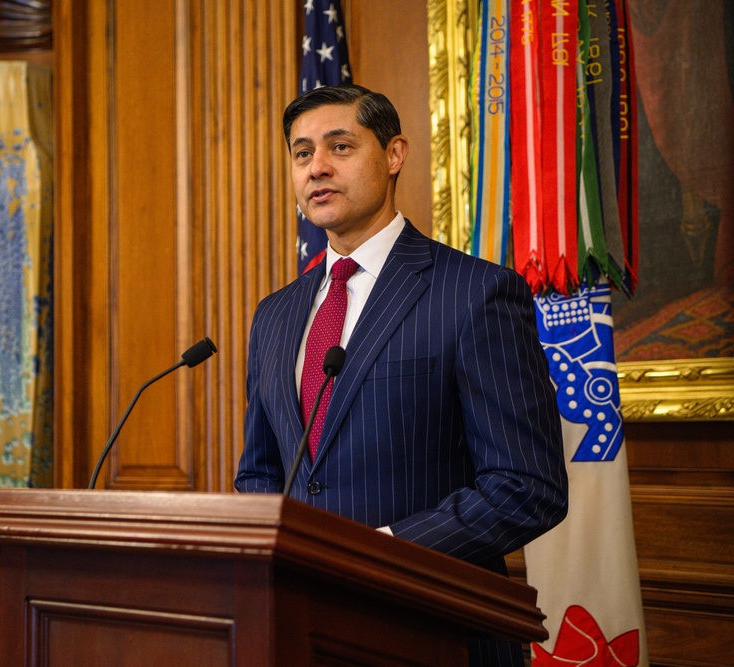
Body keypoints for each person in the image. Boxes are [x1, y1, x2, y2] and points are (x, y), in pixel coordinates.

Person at [235, 84, 568, 666]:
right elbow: (262, 474)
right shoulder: (276, 314)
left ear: (394, 155)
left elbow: (526, 487)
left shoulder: (475, 293)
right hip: (299, 632)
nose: (317, 168)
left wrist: (379, 557)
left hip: (433, 631)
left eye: (340, 147)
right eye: (301, 152)